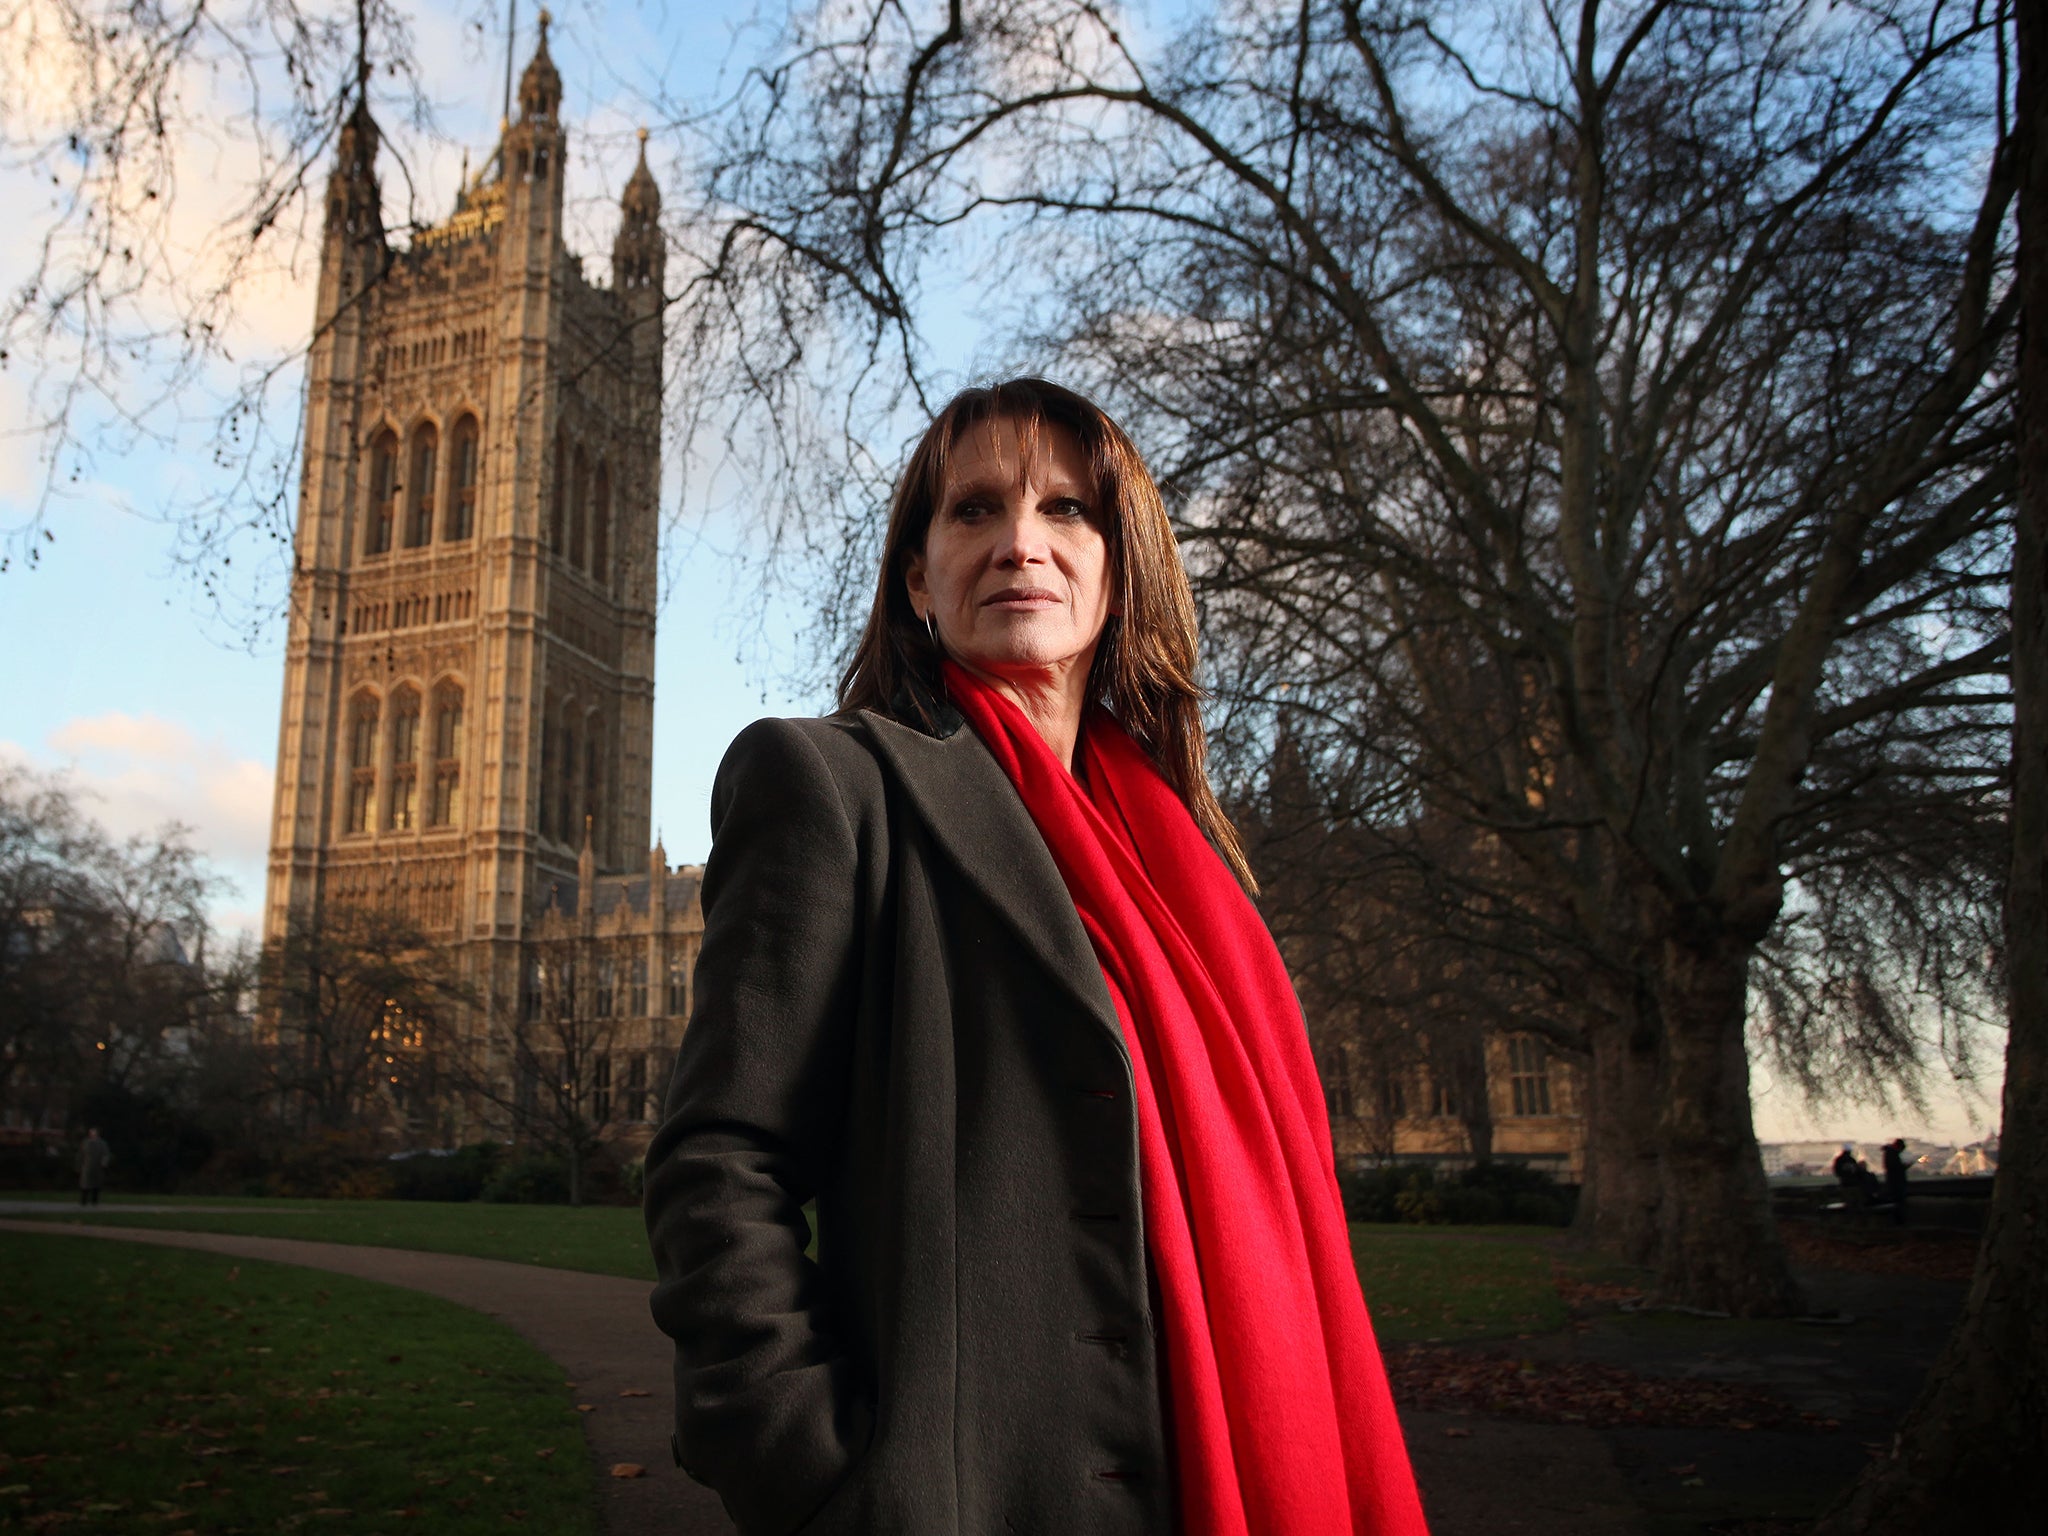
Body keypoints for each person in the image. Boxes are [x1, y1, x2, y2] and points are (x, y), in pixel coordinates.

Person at [644, 379, 1429, 1536]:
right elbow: (718, 1164)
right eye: (972, 511)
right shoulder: (831, 787)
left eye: (1066, 509)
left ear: (1118, 567)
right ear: (917, 577)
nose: (1021, 542)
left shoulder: (1188, 874)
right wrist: (825, 1480)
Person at [77, 1127, 110, 1207]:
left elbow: (106, 1154)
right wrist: (79, 1165)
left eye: (94, 1133)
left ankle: (94, 1202)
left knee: (96, 1185)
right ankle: (83, 1201)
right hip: (87, 1166)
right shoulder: (85, 1142)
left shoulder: (102, 1143)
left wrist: (103, 1163)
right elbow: (80, 1154)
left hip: (97, 1167)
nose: (93, 1134)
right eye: (91, 1133)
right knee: (85, 1185)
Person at [1882, 1137, 1910, 1226]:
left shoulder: (1889, 1153)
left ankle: (1898, 1221)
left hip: (1893, 1183)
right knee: (1898, 1203)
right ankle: (1899, 1222)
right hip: (1896, 1183)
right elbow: (1895, 1168)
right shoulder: (1892, 1154)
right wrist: (1904, 1167)